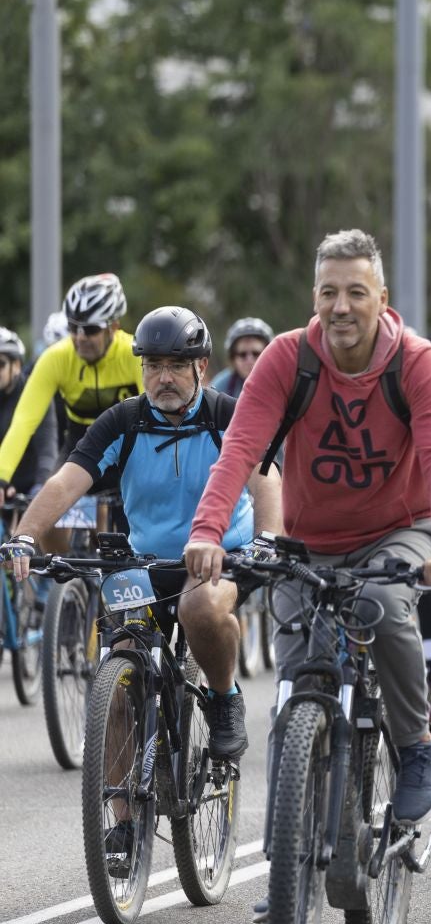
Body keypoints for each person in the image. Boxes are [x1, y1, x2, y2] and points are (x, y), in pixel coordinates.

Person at [185, 229, 431, 837]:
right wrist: (208, 530)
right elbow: (240, 450)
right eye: (329, 292)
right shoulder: (286, 359)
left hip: (399, 528)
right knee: (296, 686)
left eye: (356, 292)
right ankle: (288, 861)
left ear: (382, 297)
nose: (341, 306)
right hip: (307, 541)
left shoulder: (416, 362)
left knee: (381, 604)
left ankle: (418, 744)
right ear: (314, 296)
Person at [4, 307, 282, 764]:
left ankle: (223, 696)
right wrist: (26, 536)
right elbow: (65, 483)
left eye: (175, 365)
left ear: (201, 366)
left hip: (222, 557)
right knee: (118, 684)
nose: (163, 378)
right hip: (146, 564)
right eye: (153, 366)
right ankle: (121, 824)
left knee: (200, 608)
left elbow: (266, 478)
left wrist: (268, 538)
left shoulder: (227, 414)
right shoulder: (123, 421)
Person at [0, 273, 143, 493]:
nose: (80, 337)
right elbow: (24, 422)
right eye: (73, 327)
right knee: (48, 511)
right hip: (81, 445)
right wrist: (1, 477)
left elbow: (156, 417)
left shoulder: (134, 354)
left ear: (113, 326)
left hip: (129, 447)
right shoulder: (55, 358)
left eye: (90, 329)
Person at [0, 329, 58, 505]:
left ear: (16, 365)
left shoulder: (33, 393)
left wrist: (41, 485)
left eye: (0, 364)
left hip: (30, 486)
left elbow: (47, 448)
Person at [211, 318, 273, 399]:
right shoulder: (219, 387)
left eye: (256, 353)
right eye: (242, 354)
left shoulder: (281, 382)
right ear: (233, 358)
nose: (249, 360)